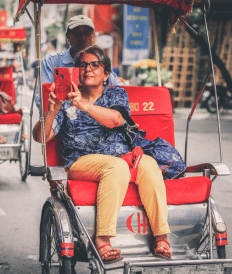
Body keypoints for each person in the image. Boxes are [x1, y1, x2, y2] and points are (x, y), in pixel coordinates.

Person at [33, 46, 172, 262]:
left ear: (106, 73)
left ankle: (161, 236)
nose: (88, 69)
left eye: (94, 64)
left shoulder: (116, 93)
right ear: (77, 71)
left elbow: (116, 120)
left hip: (122, 157)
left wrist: (83, 105)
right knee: (116, 167)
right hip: (81, 161)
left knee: (149, 165)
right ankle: (103, 240)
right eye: (83, 65)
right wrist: (51, 110)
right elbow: (42, 137)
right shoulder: (66, 98)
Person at [34, 15, 124, 110]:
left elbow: (122, 91)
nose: (82, 37)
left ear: (92, 36)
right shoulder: (51, 61)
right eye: (77, 33)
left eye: (86, 33)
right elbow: (41, 98)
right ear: (68, 36)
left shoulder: (100, 62)